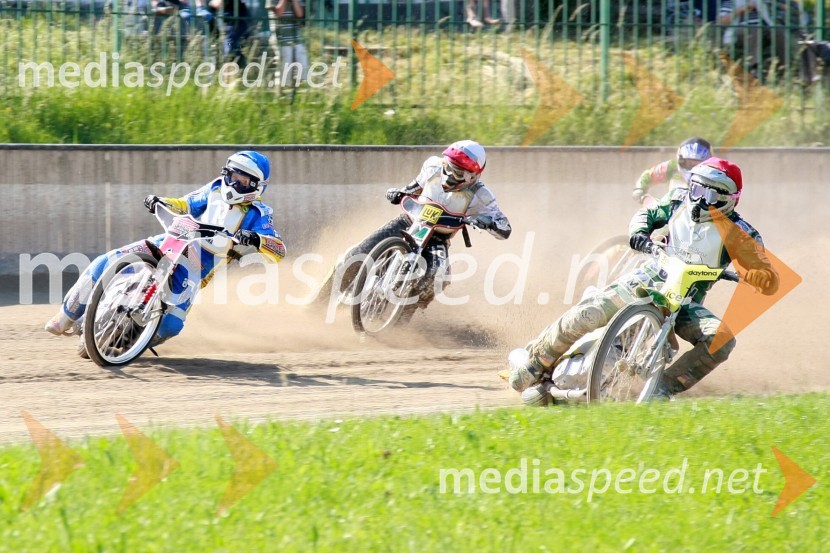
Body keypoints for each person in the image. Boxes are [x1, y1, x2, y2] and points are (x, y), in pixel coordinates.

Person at [508, 158, 779, 405]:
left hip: (684, 303)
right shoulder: (676, 200)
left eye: (710, 195)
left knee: (721, 340)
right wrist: (639, 233)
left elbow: (769, 275)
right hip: (646, 279)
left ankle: (662, 389)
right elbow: (646, 215)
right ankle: (536, 363)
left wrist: (759, 277)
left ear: (731, 200)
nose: (700, 200)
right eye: (696, 190)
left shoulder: (742, 234)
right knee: (589, 311)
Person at [45, 151, 286, 355]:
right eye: (233, 177)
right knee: (105, 261)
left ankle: (137, 343)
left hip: (197, 266)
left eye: (242, 181)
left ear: (256, 186)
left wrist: (256, 238)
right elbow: (186, 204)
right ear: (226, 173)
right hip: (173, 240)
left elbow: (278, 249)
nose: (234, 184)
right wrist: (161, 201)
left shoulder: (259, 212)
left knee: (171, 324)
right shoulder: (214, 188)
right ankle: (65, 316)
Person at [316, 140, 511, 314]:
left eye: (457, 172)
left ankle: (403, 319)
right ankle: (317, 301)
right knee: (354, 255)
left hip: (438, 238)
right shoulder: (433, 165)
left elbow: (504, 227)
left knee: (438, 277)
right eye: (447, 166)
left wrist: (490, 224)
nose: (448, 174)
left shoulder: (482, 195)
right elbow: (413, 187)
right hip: (410, 221)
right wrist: (399, 193)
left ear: (472, 176)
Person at [718, 0, 809, 81]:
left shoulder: (762, 2)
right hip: (739, 33)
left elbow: (780, 11)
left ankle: (788, 69)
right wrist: (740, 10)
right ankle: (755, 69)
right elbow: (721, 22)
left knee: (778, 31)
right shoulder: (731, 2)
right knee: (754, 30)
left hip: (764, 31)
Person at [632, 137, 713, 205]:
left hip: (705, 213)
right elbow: (649, 175)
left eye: (699, 164)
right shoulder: (671, 167)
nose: (694, 167)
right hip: (671, 211)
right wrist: (640, 189)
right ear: (681, 160)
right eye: (690, 163)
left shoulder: (716, 172)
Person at [270, 0, 308, 87]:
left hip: (296, 38)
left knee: (303, 65)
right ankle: (283, 92)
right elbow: (279, 13)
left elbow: (300, 14)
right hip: (281, 39)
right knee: (285, 71)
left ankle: (299, 91)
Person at [210, 0, 254, 67]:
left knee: (241, 44)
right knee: (229, 47)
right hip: (226, 12)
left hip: (240, 12)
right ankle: (228, 70)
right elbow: (216, 4)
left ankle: (239, 70)